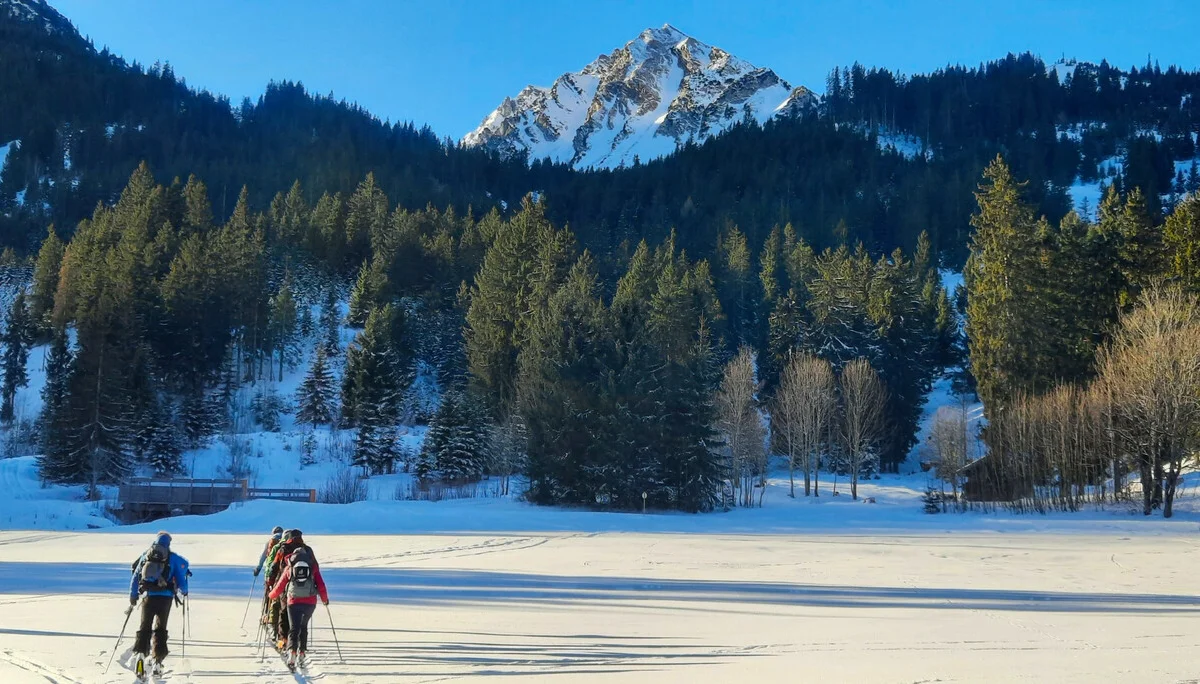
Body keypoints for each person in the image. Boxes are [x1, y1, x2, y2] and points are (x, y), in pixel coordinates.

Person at [128, 531, 190, 679]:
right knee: (160, 629)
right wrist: (185, 591)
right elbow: (182, 579)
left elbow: (136, 575)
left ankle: (141, 656)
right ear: (168, 543)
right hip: (165, 599)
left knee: (145, 626)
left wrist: (133, 595)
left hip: (148, 597)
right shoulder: (173, 558)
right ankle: (157, 662)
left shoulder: (146, 555)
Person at [269, 546, 329, 669]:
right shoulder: (313, 567)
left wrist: (271, 595)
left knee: (294, 628)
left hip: (293, 601)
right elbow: (321, 585)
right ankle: (302, 653)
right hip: (310, 602)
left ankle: (292, 654)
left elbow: (280, 586)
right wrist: (325, 600)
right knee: (303, 626)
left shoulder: (289, 567)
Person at [267, 529, 319, 649]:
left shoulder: (283, 549)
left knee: (284, 613)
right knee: (301, 620)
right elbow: (315, 567)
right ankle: (299, 643)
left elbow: (274, 566)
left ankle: (283, 640)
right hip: (307, 589)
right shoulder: (307, 550)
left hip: (285, 585)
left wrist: (270, 582)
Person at [254, 526, 284, 625]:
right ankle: (279, 617)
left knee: (268, 595)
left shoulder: (271, 542)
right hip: (282, 574)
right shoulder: (286, 543)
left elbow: (263, 556)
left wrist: (258, 568)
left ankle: (265, 615)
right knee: (280, 597)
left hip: (269, 573)